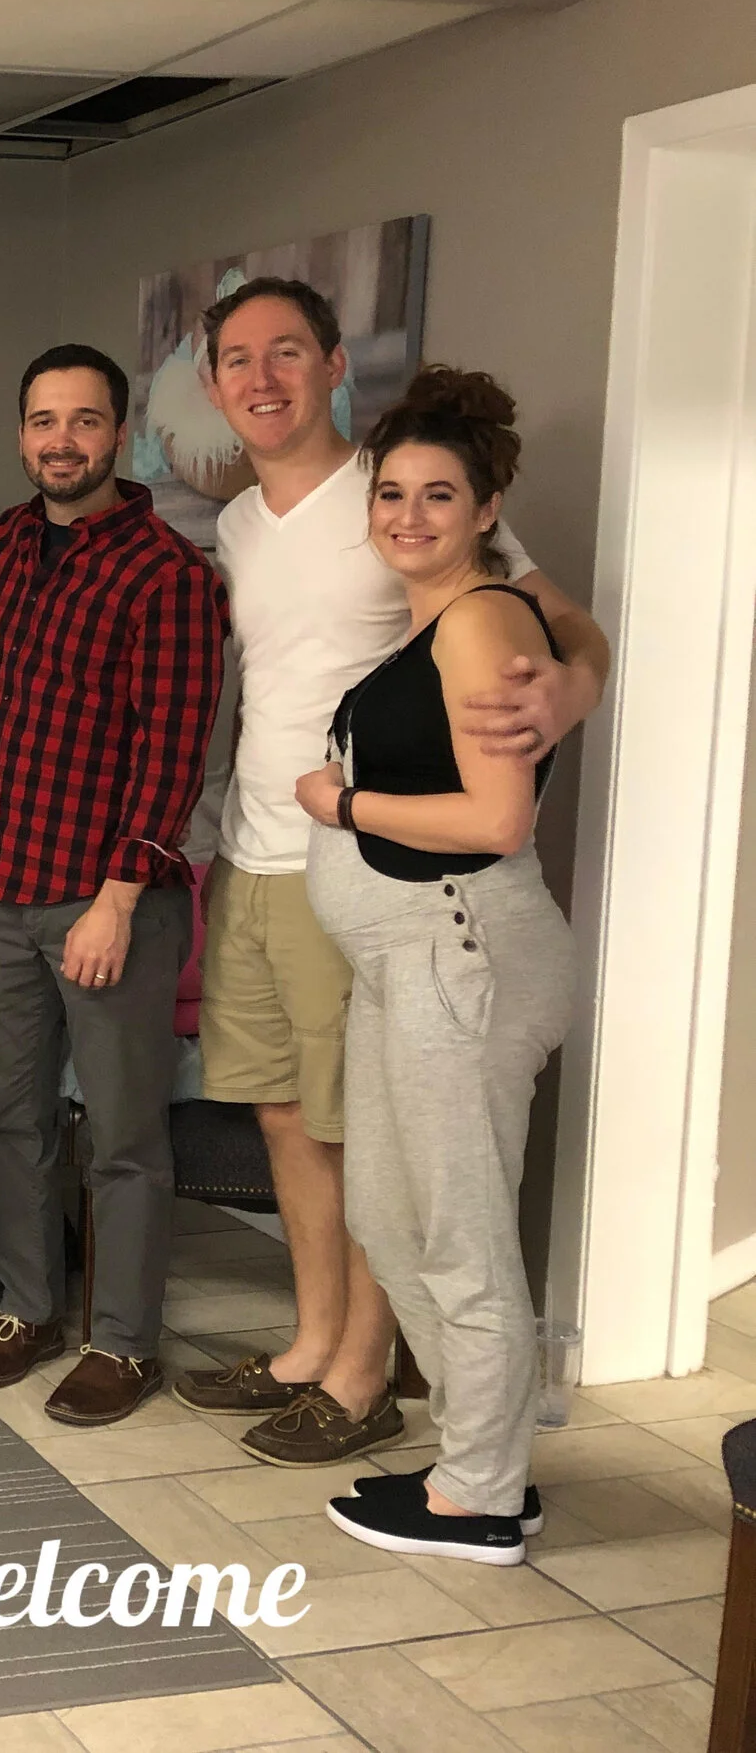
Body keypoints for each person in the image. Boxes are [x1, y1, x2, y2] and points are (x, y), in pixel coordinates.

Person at [172, 279, 609, 1467]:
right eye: (237, 361)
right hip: (253, 853)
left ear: (330, 369)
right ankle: (313, 1344)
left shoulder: (406, 498)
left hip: (366, 865)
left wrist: (567, 690)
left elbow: (566, 628)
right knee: (281, 1117)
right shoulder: (239, 525)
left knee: (360, 1134)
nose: (260, 379)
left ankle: (367, 1372)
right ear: (213, 386)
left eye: (286, 354)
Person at [302, 369, 575, 1566]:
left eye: (437, 495)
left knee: (457, 1232)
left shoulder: (479, 618)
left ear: (486, 506)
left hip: (457, 949)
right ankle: (479, 1455)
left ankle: (481, 1495)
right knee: (387, 1214)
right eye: (392, 493)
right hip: (406, 959)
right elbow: (582, 649)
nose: (407, 516)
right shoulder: (458, 612)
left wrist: (344, 801)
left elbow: (495, 819)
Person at [0, 345, 227, 1427]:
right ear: (21, 435)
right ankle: (27, 1306)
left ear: (119, 436)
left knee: (120, 1135)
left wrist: (116, 897)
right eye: (42, 421)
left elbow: (172, 759)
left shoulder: (168, 575)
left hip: (103, 899)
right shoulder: (9, 542)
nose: (60, 441)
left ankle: (124, 1342)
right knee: (9, 1121)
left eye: (83, 422)